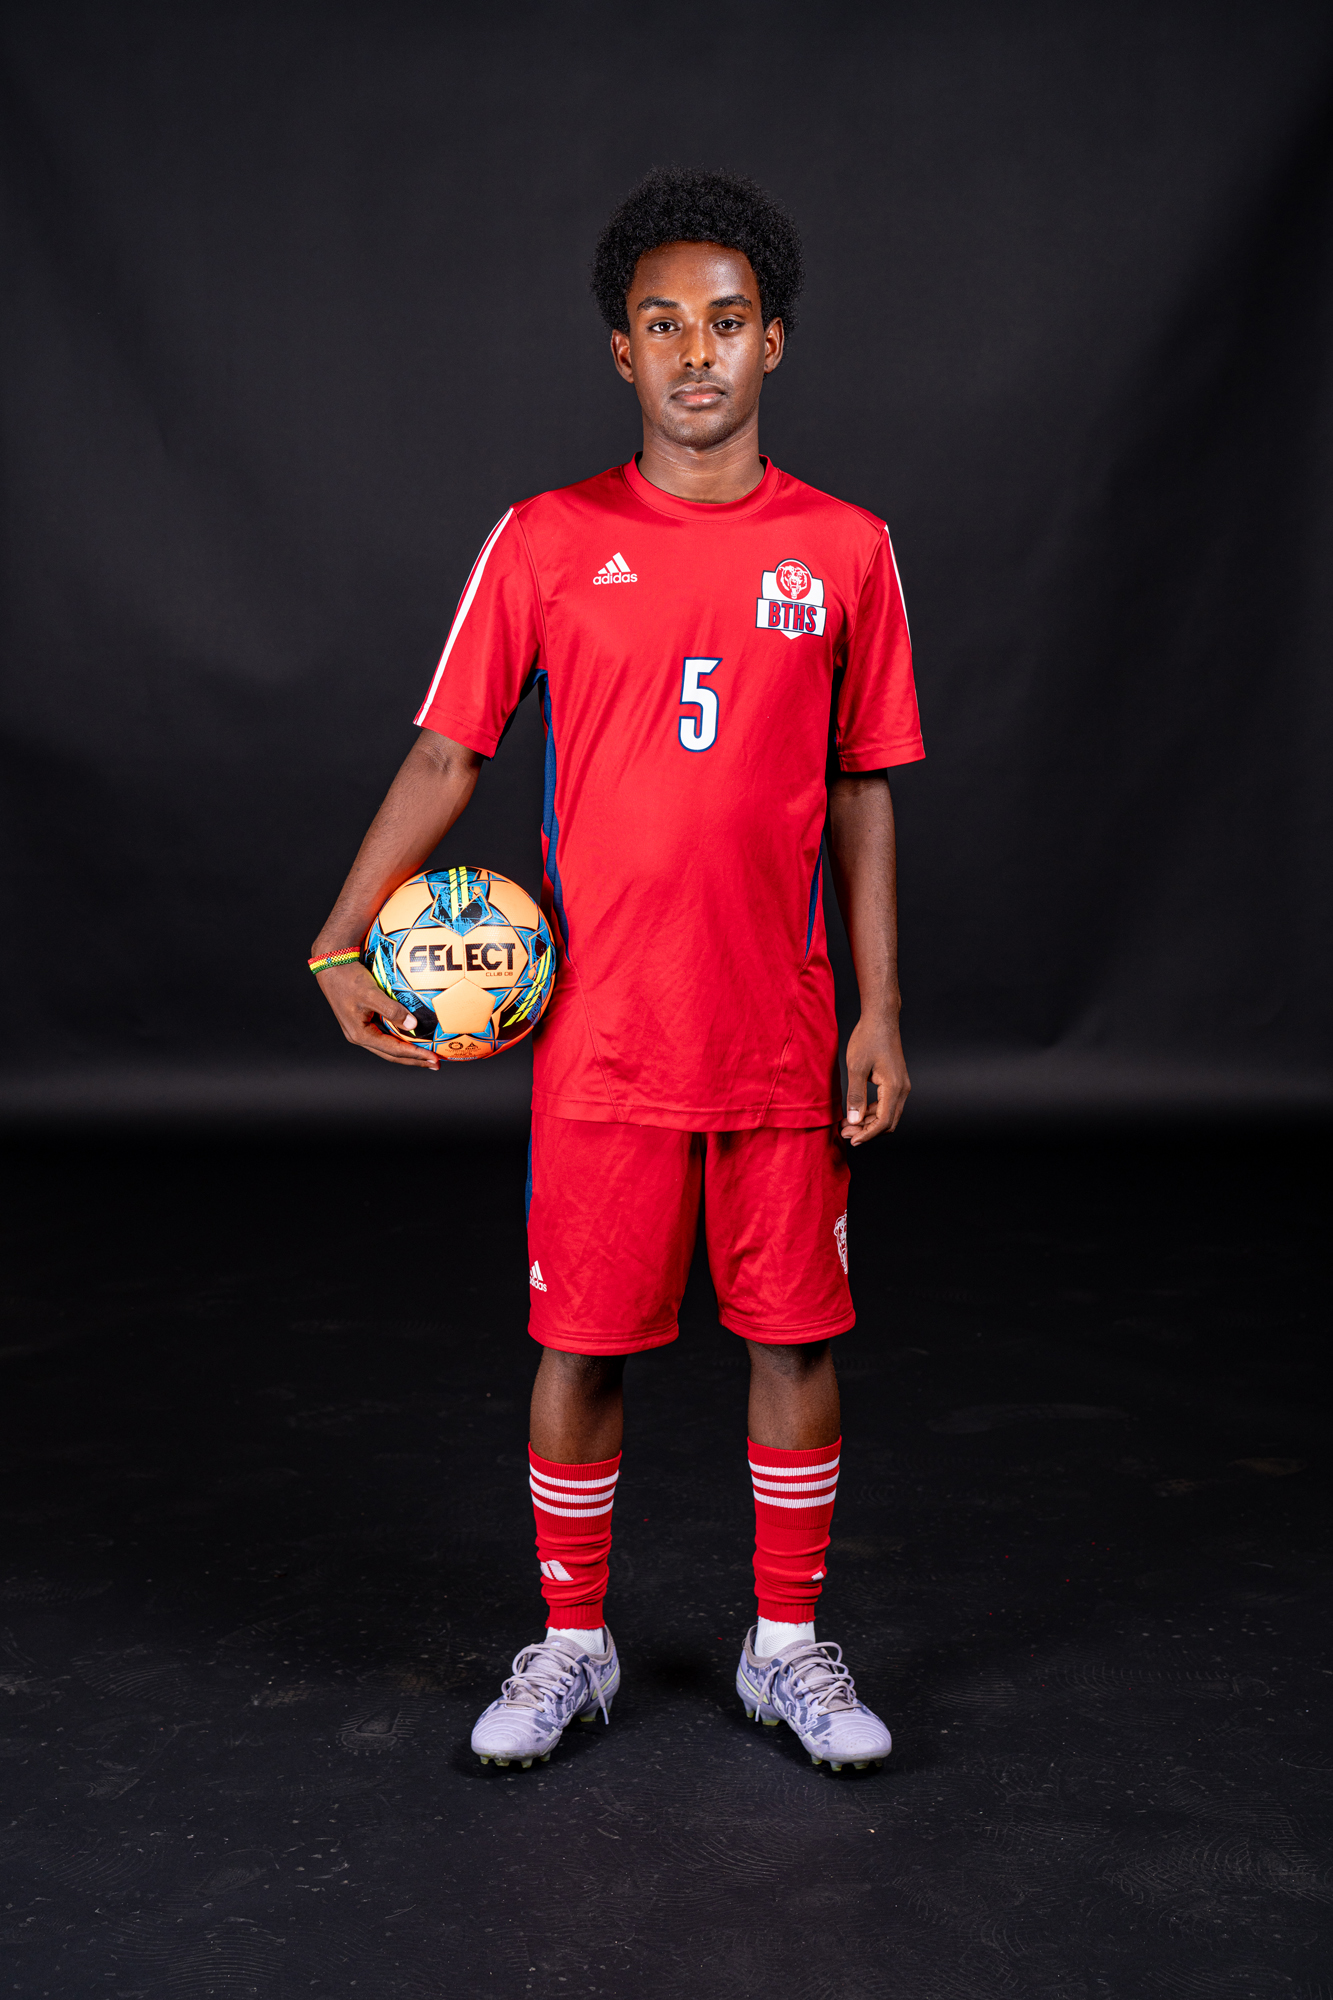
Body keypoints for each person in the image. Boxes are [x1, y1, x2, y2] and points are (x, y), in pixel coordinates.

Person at [308, 168, 923, 1775]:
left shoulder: (847, 549)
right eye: (663, 324)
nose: (694, 351)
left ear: (773, 341)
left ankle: (783, 1650)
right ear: (621, 352)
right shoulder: (547, 540)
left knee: (793, 1337)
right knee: (577, 1343)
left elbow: (863, 788)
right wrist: (338, 933)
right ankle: (571, 1645)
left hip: (779, 1027)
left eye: (725, 320)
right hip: (602, 1035)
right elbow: (448, 752)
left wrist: (878, 1008)